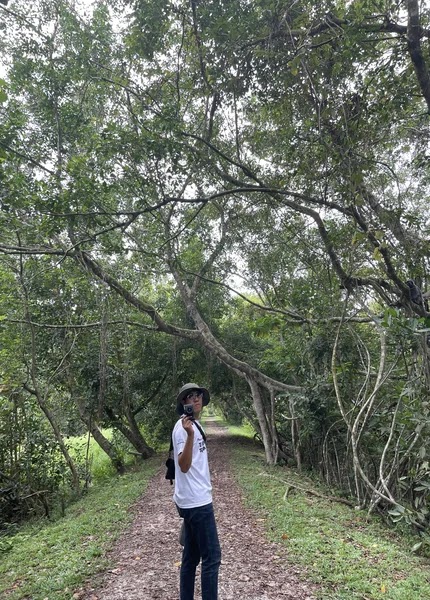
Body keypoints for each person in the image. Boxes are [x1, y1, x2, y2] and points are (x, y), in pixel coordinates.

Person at [172, 382, 221, 600]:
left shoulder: (194, 425)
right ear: (184, 402)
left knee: (191, 558)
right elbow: (183, 465)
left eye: (198, 395)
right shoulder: (183, 430)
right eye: (190, 396)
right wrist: (190, 436)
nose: (196, 399)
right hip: (197, 502)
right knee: (212, 557)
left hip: (192, 499)